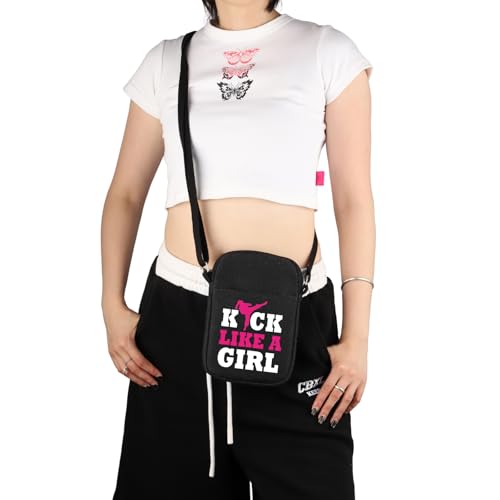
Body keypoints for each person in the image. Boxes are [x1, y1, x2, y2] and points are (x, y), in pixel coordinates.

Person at [101, 1, 375, 498]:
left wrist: (356, 337)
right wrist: (111, 305)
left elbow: (353, 201)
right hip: (179, 321)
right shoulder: (167, 60)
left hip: (293, 318)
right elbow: (125, 193)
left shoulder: (327, 50)